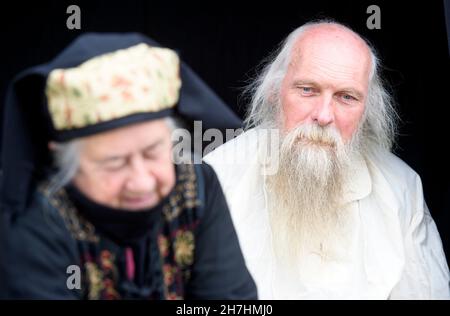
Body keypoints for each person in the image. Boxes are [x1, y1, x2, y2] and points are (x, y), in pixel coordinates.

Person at [204, 20, 450, 299]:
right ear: (275, 91)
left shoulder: (402, 188)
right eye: (307, 89)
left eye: (346, 97)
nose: (323, 116)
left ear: (367, 109)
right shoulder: (216, 177)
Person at [0, 33, 256, 299]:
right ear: (64, 162)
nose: (142, 182)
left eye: (153, 152)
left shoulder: (197, 186)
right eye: (114, 163)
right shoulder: (36, 219)